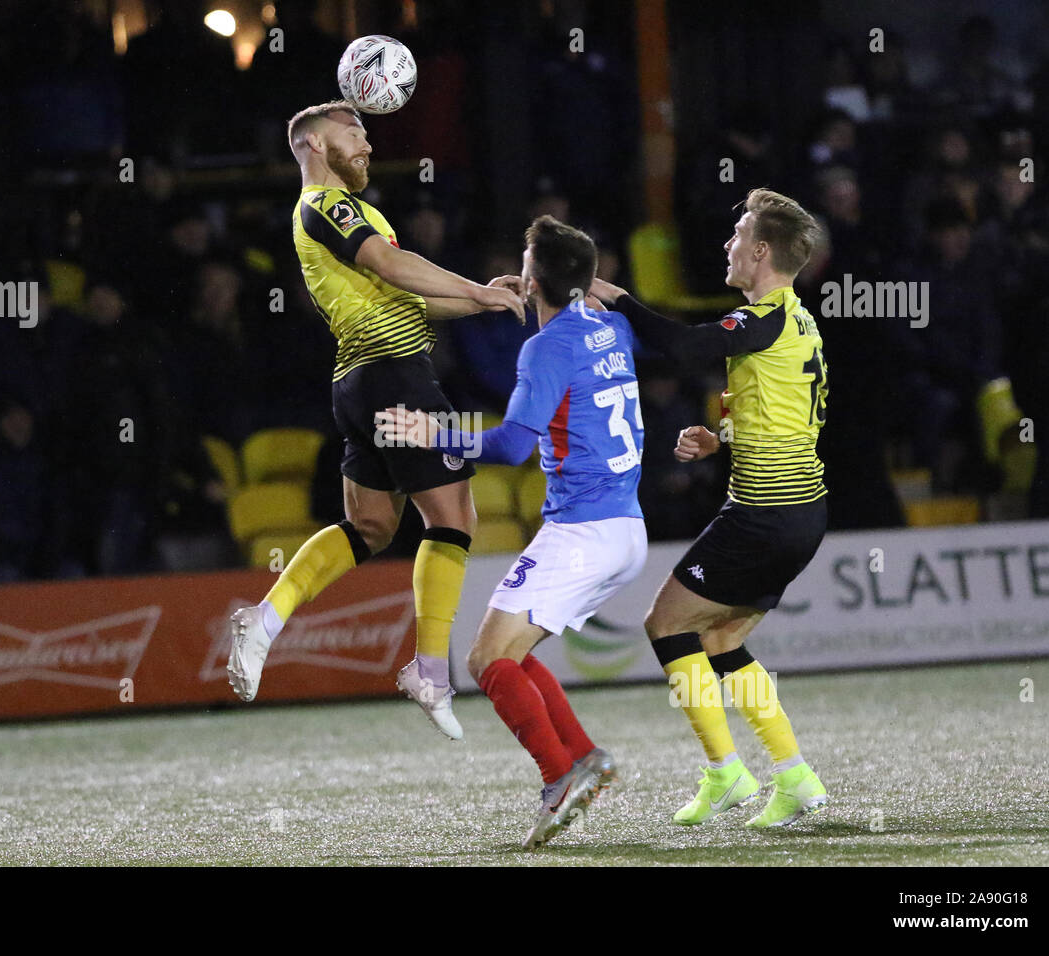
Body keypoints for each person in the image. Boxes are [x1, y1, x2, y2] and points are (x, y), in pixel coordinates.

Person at [227, 101, 524, 739]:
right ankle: (430, 670)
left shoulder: (354, 214)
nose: (366, 142)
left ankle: (267, 619)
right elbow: (392, 267)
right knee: (454, 518)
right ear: (312, 142)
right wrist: (477, 289)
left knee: (370, 524)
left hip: (358, 383)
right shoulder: (328, 206)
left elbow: (409, 296)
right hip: (395, 375)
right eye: (354, 131)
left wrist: (485, 302)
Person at [377, 215, 647, 849]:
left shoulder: (544, 347)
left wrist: (431, 434)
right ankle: (582, 757)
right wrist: (549, 285)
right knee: (512, 653)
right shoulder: (615, 326)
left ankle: (560, 777)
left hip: (581, 531)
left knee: (485, 660)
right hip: (625, 526)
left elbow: (509, 445)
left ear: (532, 278)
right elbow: (583, 304)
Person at [589, 188, 830, 828]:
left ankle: (726, 771)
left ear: (759, 252)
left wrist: (617, 298)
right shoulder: (798, 322)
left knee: (665, 625)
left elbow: (685, 345)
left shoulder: (765, 317)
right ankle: (795, 776)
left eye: (737, 237)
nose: (727, 246)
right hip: (801, 514)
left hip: (763, 514)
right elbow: (789, 416)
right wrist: (720, 438)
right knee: (720, 638)